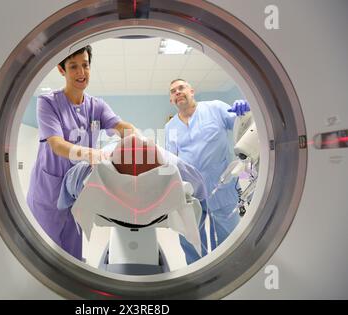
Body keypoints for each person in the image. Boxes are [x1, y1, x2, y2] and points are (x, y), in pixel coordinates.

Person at [26, 45, 136, 261]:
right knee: (45, 259)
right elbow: (57, 144)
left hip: (77, 193)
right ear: (61, 70)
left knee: (72, 258)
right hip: (49, 193)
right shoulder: (48, 103)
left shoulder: (97, 106)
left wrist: (138, 139)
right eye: (73, 66)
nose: (81, 72)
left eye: (85, 65)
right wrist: (89, 154)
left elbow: (120, 126)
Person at [57, 134, 209, 259]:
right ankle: (198, 262)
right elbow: (200, 191)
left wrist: (66, 203)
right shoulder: (174, 164)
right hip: (159, 212)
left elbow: (67, 191)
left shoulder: (88, 169)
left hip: (110, 212)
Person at [165, 78, 250, 264]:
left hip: (222, 189)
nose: (177, 92)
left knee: (228, 243)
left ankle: (227, 279)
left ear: (192, 91)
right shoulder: (170, 128)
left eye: (181, 88)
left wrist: (245, 109)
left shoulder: (215, 108)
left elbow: (241, 123)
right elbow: (171, 160)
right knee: (191, 241)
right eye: (173, 91)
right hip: (190, 193)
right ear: (171, 100)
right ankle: (196, 279)